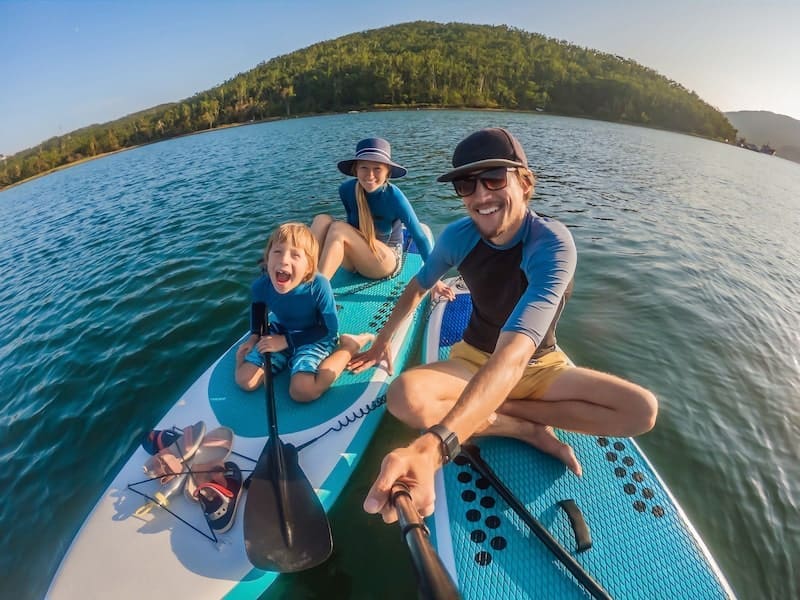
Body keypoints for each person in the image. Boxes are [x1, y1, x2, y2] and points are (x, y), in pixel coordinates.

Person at [348, 128, 658, 523]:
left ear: (525, 183)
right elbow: (418, 286)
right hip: (474, 357)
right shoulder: (458, 236)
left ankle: (495, 410)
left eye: (494, 179)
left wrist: (435, 445)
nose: (480, 196)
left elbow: (514, 355)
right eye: (466, 184)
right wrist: (382, 342)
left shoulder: (551, 244)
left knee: (640, 411)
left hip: (539, 365)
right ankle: (523, 428)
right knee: (403, 396)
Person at [235, 222, 373, 402]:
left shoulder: (319, 285)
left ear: (309, 266)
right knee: (245, 380)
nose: (283, 260)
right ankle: (285, 356)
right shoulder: (261, 285)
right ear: (267, 258)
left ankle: (350, 345)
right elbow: (258, 310)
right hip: (281, 331)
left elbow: (329, 330)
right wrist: (254, 337)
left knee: (302, 391)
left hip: (314, 334)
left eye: (295, 255)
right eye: (277, 252)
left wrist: (286, 341)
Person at [310, 137, 433, 280]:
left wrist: (433, 279)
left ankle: (317, 290)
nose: (370, 175)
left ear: (388, 172)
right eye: (364, 168)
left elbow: (420, 238)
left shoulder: (394, 197)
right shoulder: (346, 190)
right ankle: (304, 276)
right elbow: (352, 225)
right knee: (321, 220)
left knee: (338, 228)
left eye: (377, 169)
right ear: (355, 170)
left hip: (385, 261)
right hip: (358, 259)